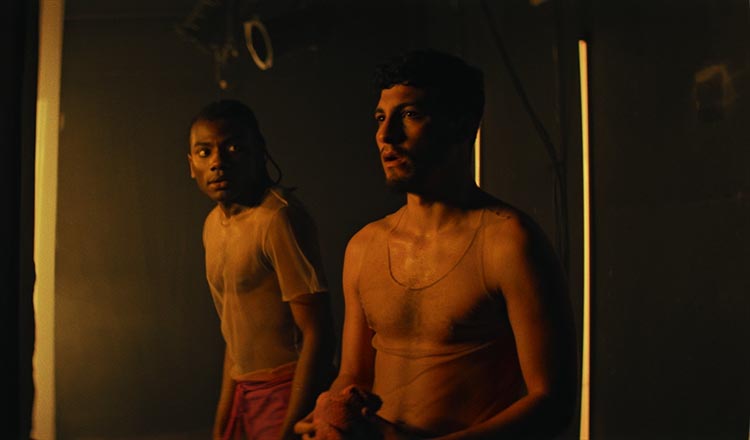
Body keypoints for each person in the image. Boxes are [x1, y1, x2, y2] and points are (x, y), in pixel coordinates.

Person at [296, 49, 577, 439]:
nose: (386, 135)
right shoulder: (364, 246)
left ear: (463, 124)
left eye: (410, 114)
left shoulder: (509, 243)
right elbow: (354, 375)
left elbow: (553, 403)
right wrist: (328, 415)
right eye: (380, 118)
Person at [187, 99, 335, 440]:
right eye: (204, 152)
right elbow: (236, 335)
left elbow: (318, 333)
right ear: (191, 164)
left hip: (288, 391)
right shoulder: (212, 225)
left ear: (259, 151)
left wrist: (291, 427)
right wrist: (223, 422)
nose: (218, 162)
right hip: (244, 391)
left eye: (233, 148)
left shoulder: (278, 218)